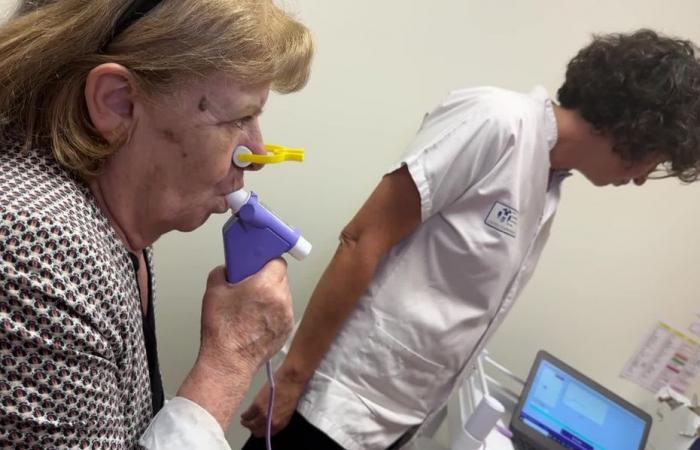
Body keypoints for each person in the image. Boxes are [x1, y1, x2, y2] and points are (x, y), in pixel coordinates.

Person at [241, 29, 700, 450]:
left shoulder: (549, 180)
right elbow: (362, 239)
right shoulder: (498, 122)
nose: (642, 179)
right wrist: (293, 377)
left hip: (394, 422)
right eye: (656, 160)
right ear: (638, 129)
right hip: (331, 405)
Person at [0, 1, 313, 449]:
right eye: (239, 118)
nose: (258, 153)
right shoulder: (33, 248)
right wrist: (228, 361)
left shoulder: (108, 220)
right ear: (118, 103)